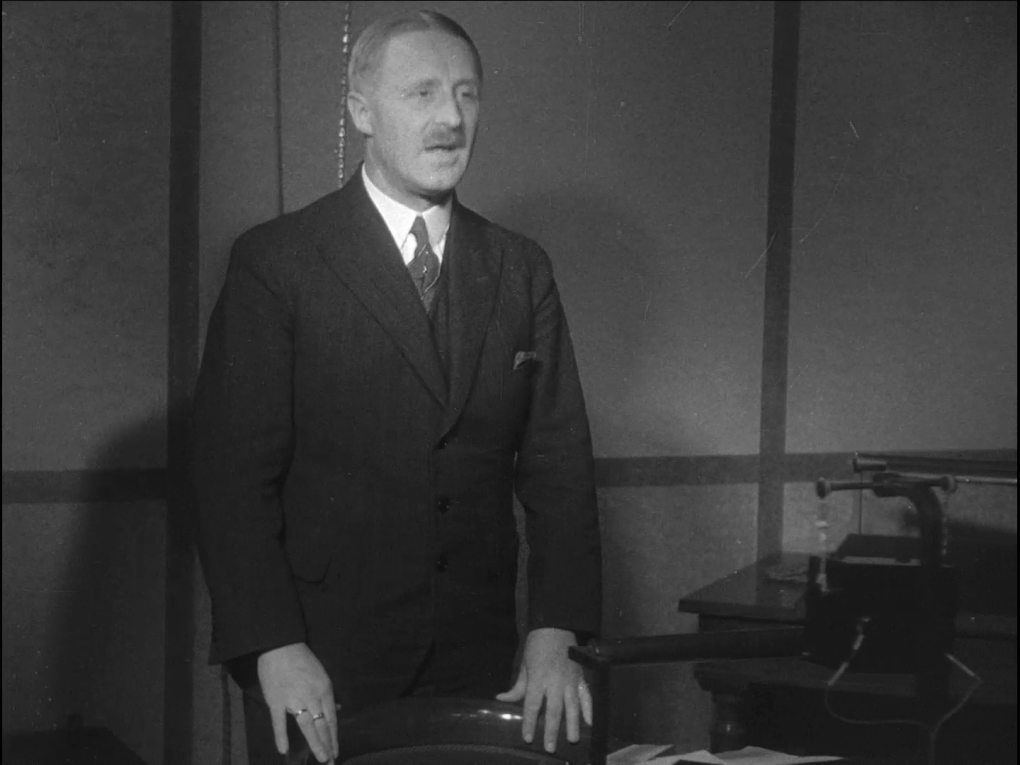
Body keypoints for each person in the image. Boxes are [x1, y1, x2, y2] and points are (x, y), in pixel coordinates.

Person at [192, 9, 602, 764]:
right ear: (360, 111)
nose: (451, 119)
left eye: (467, 94)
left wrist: (557, 633)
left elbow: (561, 471)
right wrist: (274, 645)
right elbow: (230, 480)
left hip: (481, 661)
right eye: (422, 94)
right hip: (321, 664)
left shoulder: (520, 269)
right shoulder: (276, 262)